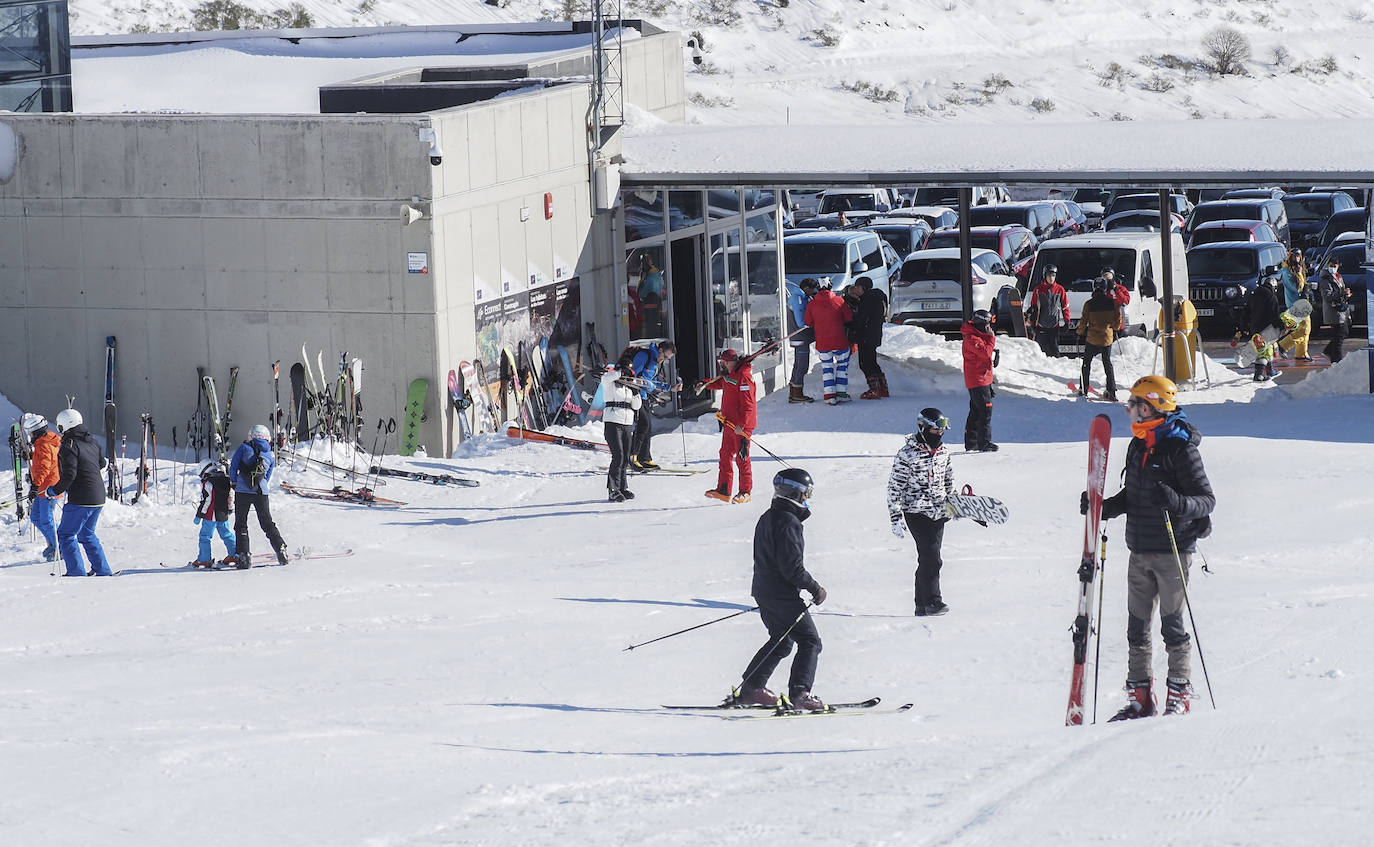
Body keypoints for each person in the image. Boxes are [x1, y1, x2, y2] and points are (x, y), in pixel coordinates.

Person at [1086, 375, 1216, 720]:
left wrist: (1174, 501)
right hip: (1139, 548)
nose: (1130, 410)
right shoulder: (1139, 444)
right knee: (1136, 627)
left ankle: (1179, 694)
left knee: (1172, 625)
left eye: (1136, 404)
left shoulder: (1180, 448)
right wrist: (1105, 506)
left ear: (1153, 406)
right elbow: (1134, 496)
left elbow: (1206, 501)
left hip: (1173, 550)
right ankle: (1140, 698)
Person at [733, 467, 828, 712]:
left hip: (764, 589)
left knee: (782, 640)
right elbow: (792, 568)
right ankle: (801, 693)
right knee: (810, 641)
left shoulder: (769, 516)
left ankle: (752, 688)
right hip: (781, 593)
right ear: (796, 494)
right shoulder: (789, 521)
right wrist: (815, 588)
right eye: (806, 493)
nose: (807, 499)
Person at [888, 408, 956, 616]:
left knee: (927, 557)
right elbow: (895, 487)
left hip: (939, 512)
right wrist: (895, 518)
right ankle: (934, 601)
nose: (940, 435)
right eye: (935, 431)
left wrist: (955, 506)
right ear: (923, 427)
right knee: (932, 557)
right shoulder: (907, 454)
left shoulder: (944, 452)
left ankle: (921, 605)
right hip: (916, 512)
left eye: (942, 431)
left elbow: (948, 481)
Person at [49, 408, 113, 577]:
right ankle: (103, 570)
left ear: (64, 425)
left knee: (66, 534)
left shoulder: (69, 445)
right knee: (87, 533)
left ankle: (76, 573)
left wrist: (55, 490)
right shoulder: (92, 441)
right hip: (98, 495)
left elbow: (70, 474)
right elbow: (101, 463)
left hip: (81, 498)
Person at [698, 348, 757, 504]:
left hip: (741, 426)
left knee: (742, 458)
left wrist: (742, 424)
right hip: (729, 423)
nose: (723, 365)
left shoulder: (744, 377)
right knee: (725, 455)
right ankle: (723, 490)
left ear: (734, 362)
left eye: (726, 362)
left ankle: (745, 491)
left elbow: (749, 404)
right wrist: (704, 384)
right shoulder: (729, 375)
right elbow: (720, 383)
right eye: (722, 362)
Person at [228, 423, 288, 568]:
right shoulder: (269, 454)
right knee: (267, 522)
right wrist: (260, 484)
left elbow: (233, 467)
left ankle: (244, 557)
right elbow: (267, 475)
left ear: (251, 436)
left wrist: (235, 482)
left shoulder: (244, 448)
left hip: (243, 491)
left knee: (241, 524)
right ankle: (281, 549)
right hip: (261, 492)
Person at [625, 341, 680, 470]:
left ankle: (645, 458)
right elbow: (631, 377)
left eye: (668, 359)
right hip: (634, 395)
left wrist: (670, 388)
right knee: (642, 425)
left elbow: (652, 382)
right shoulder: (644, 356)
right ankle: (632, 457)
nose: (664, 360)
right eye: (665, 356)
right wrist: (641, 385)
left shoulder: (655, 363)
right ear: (660, 350)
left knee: (647, 426)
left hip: (643, 396)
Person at [803, 282, 854, 404]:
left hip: (823, 343)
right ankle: (841, 393)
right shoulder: (839, 301)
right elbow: (848, 317)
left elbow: (808, 322)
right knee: (842, 366)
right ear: (831, 287)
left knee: (827, 368)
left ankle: (829, 395)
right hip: (840, 341)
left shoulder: (812, 304)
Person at [600, 354, 642, 503]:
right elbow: (605, 378)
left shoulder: (628, 387)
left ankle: (623, 487)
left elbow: (636, 406)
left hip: (627, 423)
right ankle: (613, 489)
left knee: (625, 457)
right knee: (617, 456)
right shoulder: (610, 381)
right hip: (612, 422)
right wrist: (619, 373)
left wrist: (636, 392)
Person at [1077, 276, 1123, 399]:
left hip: (1092, 337)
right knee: (1107, 363)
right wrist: (1113, 327)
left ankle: (1083, 388)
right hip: (1106, 338)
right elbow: (1118, 321)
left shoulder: (1089, 304)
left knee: (1086, 362)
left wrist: (1079, 332)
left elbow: (1083, 321)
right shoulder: (1112, 303)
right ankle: (1111, 390)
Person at [23, 412, 60, 561]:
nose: (30, 436)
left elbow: (45, 467)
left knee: (45, 519)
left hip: (48, 487)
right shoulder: (42, 443)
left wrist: (35, 485)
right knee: (36, 517)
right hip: (42, 487)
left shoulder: (44, 444)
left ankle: (60, 547)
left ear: (37, 431)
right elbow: (42, 460)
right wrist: (32, 457)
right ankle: (53, 543)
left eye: (31, 433)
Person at [961, 310, 998, 451]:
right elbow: (985, 353)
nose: (989, 328)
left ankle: (972, 443)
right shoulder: (972, 339)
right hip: (977, 380)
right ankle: (984, 443)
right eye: (987, 325)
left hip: (983, 379)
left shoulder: (978, 336)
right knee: (985, 411)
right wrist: (991, 338)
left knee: (976, 411)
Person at [191, 459, 235, 567]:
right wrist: (230, 509)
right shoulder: (226, 480)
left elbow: (207, 500)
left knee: (205, 536)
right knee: (227, 534)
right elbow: (230, 495)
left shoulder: (208, 483)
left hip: (210, 515)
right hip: (223, 513)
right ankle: (235, 554)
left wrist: (199, 515)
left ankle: (204, 559)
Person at [852, 277, 890, 399]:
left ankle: (875, 389)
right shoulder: (878, 298)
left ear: (863, 287)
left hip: (865, 335)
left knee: (865, 363)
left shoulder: (867, 299)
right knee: (872, 362)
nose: (855, 289)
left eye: (857, 287)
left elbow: (861, 320)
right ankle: (883, 388)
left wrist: (850, 323)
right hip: (875, 334)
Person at [784, 277, 819, 403]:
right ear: (807, 288)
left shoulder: (802, 297)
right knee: (802, 366)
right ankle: (797, 393)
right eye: (812, 290)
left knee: (798, 365)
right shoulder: (797, 298)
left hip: (800, 337)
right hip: (800, 336)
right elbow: (801, 322)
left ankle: (794, 391)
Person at [1026, 264, 1070, 357]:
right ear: (1045, 276)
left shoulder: (1060, 289)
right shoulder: (1038, 290)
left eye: (1053, 276)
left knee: (1054, 350)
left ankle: (1055, 370)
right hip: (1041, 325)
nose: (1051, 278)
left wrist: (1067, 321)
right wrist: (1032, 322)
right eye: (1049, 275)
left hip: (1054, 325)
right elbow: (1033, 306)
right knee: (1042, 351)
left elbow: (1065, 307)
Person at [1247, 275, 1284, 381]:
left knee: (1266, 349)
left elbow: (1246, 311)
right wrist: (1281, 326)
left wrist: (1244, 325)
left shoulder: (1254, 295)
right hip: (1267, 329)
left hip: (1254, 328)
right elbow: (1274, 316)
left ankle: (1270, 370)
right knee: (1264, 352)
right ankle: (1258, 375)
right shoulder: (1272, 297)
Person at [1278, 249, 1312, 362]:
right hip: (1295, 304)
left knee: (1305, 327)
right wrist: (1299, 275)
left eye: (1299, 256)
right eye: (1295, 256)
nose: (1297, 258)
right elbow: (1295, 287)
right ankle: (1283, 345)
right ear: (1290, 257)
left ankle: (1301, 353)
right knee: (1304, 328)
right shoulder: (1287, 271)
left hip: (1300, 302)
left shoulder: (1297, 268)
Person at [1317, 260, 1351, 364]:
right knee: (1340, 333)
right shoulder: (1325, 280)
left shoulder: (1338, 277)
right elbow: (1327, 296)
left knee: (1343, 331)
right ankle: (1336, 358)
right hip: (1333, 310)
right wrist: (1341, 293)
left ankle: (1329, 351)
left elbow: (1342, 290)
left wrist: (1346, 294)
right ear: (1328, 266)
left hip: (1341, 309)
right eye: (1331, 266)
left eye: (1335, 266)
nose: (1333, 268)